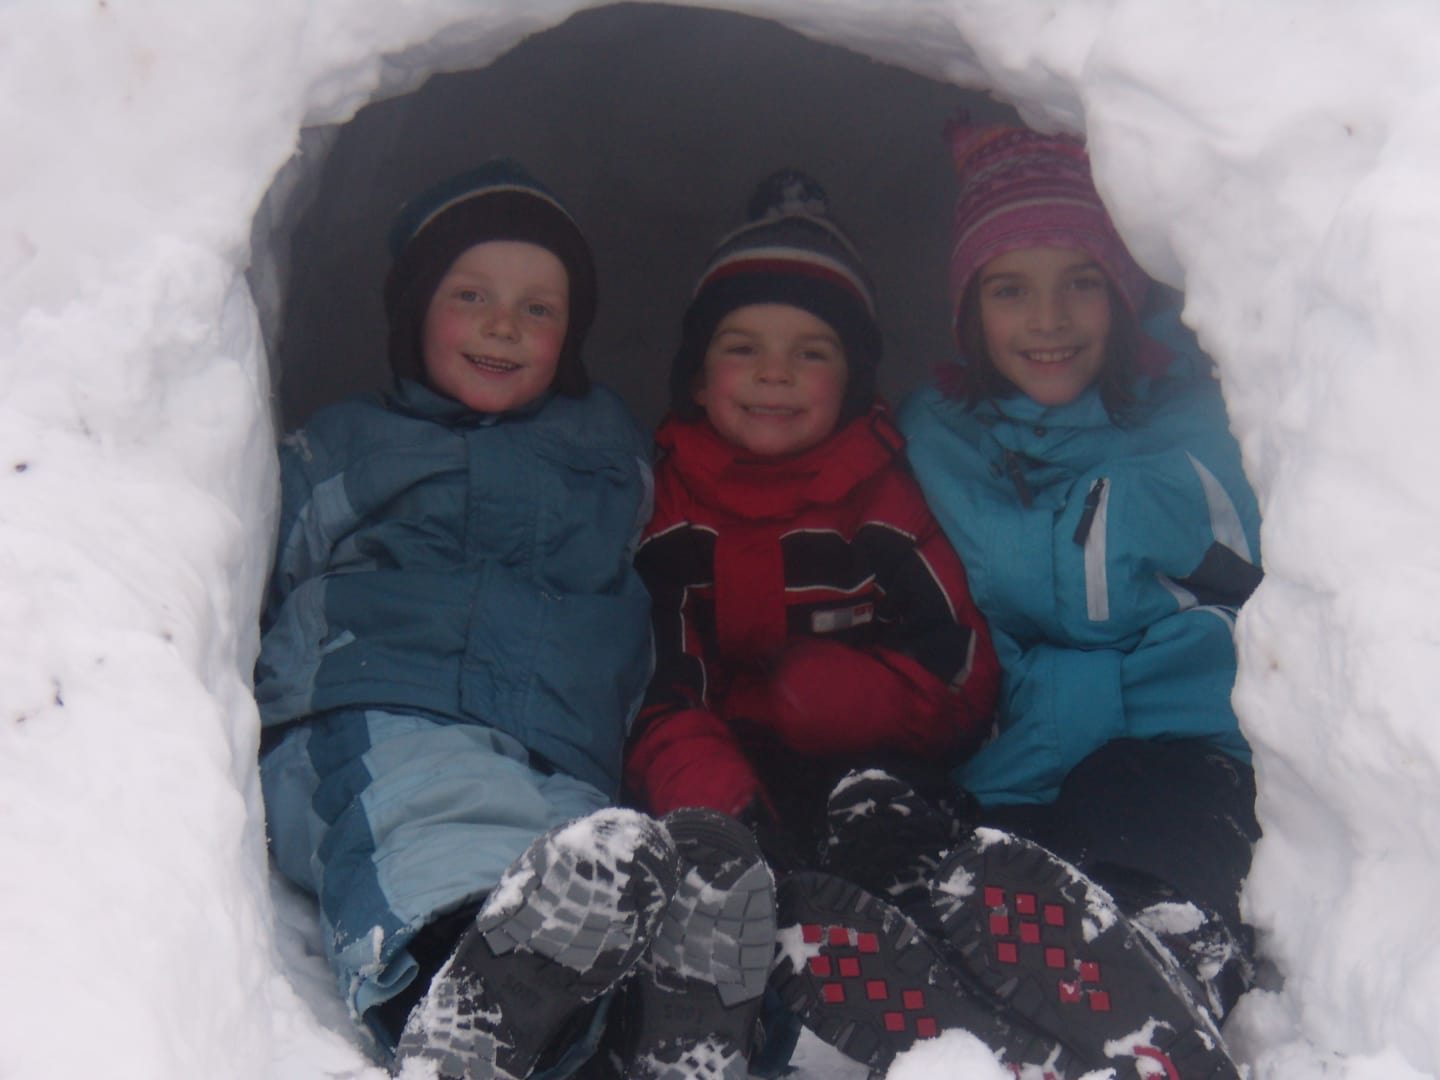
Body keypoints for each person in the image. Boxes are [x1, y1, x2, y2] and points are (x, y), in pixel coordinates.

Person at [255, 161, 775, 1080]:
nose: (505, 325)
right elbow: (252, 571)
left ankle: (648, 1032)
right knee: (439, 827)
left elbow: (691, 542)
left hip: (559, 744)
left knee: (605, 870)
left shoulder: (610, 452)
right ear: (413, 312)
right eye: (472, 296)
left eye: (539, 308)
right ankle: (460, 1003)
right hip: (382, 710)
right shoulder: (344, 446)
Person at [769, 125, 1263, 1080]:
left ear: (1125, 292)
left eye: (1081, 281)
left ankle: (1163, 973)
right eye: (1009, 289)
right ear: (968, 311)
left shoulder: (1204, 420)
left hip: (1178, 734)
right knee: (990, 884)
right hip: (1022, 753)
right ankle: (962, 1010)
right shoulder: (939, 437)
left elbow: (1259, 579)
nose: (1049, 319)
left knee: (1145, 846)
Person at [617, 170, 1002, 1076]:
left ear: (855, 378)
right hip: (727, 780)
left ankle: (920, 958)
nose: (775, 373)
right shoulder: (665, 510)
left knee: (883, 811)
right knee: (702, 856)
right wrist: (717, 799)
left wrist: (850, 699)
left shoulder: (887, 502)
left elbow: (962, 671)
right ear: (697, 375)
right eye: (742, 347)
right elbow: (656, 682)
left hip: (869, 759)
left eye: (811, 351)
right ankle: (720, 1002)